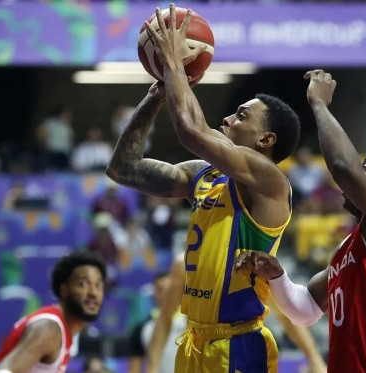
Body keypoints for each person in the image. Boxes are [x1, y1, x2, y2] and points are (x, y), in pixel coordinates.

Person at [107, 6, 301, 372]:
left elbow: (192, 132)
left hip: (238, 343)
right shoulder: (204, 175)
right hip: (194, 341)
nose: (228, 118)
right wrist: (156, 97)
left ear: (266, 140)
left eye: (242, 115)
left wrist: (173, 64)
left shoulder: (270, 181)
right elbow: (123, 168)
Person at [236, 69, 366, 372]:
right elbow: (305, 310)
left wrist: (319, 104)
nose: (357, 175)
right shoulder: (347, 250)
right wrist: (277, 277)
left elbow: (343, 167)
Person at [144, 254, 327, 373]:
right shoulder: (185, 261)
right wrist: (152, 367)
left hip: (244, 355)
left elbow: (286, 315)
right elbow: (164, 317)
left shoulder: (251, 260)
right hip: (198, 356)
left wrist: (314, 359)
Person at [0, 251, 106, 373]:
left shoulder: (66, 332)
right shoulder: (48, 328)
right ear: (64, 290)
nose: (93, 293)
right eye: (83, 284)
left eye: (98, 285)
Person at [128, 270, 187, 373]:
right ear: (154, 293)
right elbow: (134, 368)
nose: (166, 294)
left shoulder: (191, 322)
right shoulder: (142, 328)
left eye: (170, 290)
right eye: (160, 289)